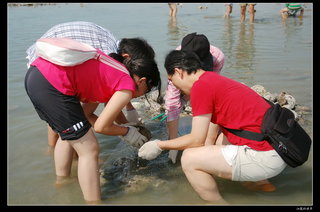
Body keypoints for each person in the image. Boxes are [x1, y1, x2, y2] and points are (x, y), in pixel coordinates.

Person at [139, 50, 286, 203]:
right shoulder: (214, 79)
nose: (175, 87)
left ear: (178, 72)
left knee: (190, 159)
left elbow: (197, 140)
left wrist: (159, 145)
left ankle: (218, 203)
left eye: (171, 80)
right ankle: (259, 183)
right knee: (219, 140)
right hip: (279, 149)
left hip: (266, 159)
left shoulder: (200, 88)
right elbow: (209, 135)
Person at [25, 38, 161, 203]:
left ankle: (62, 182)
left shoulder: (109, 76)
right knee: (89, 149)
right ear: (143, 81)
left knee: (70, 134)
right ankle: (94, 202)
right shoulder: (126, 86)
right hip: (52, 83)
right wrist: (127, 132)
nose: (140, 95)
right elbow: (101, 127)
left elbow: (85, 115)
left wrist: (124, 129)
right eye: (145, 92)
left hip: (35, 76)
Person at [26, 21, 156, 153]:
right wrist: (126, 130)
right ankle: (56, 150)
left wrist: (128, 120)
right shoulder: (112, 62)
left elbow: (110, 101)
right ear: (127, 58)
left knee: (67, 126)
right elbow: (110, 101)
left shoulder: (114, 51)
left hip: (48, 61)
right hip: (52, 63)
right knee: (69, 126)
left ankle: (54, 153)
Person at [164, 32, 224, 164]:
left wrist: (209, 141)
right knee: (174, 104)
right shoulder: (176, 65)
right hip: (181, 73)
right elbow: (172, 103)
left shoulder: (217, 57)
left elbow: (213, 93)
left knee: (211, 137)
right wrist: (172, 145)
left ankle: (208, 146)